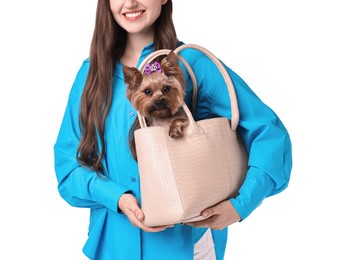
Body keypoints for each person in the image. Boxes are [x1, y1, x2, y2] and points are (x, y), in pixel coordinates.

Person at [53, 0, 292, 259]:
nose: (130, 3)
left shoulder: (194, 64)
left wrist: (240, 204)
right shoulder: (90, 75)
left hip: (188, 245)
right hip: (113, 246)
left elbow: (270, 134)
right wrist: (118, 198)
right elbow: (68, 168)